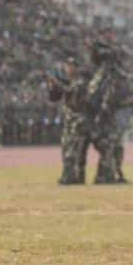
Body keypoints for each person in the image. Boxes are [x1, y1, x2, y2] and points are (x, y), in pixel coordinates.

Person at [87, 30, 128, 184]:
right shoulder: (99, 51)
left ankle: (116, 173)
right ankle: (106, 175)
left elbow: (121, 54)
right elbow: (97, 56)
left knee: (116, 146)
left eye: (112, 34)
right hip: (101, 97)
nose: (111, 36)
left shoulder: (114, 51)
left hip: (109, 109)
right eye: (108, 34)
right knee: (107, 146)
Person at [47, 56, 91, 185]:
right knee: (66, 148)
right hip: (68, 121)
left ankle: (69, 178)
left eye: (72, 66)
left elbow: (71, 91)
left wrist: (56, 82)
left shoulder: (81, 81)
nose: (69, 68)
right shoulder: (66, 81)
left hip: (78, 121)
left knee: (73, 150)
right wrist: (52, 85)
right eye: (67, 66)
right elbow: (54, 97)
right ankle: (73, 177)